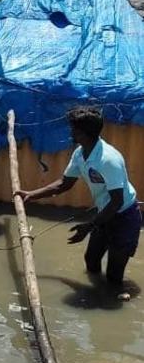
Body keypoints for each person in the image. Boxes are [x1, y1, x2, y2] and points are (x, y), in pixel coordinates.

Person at [16, 106, 141, 293]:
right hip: (104, 214)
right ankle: (96, 294)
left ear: (85, 133)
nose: (71, 132)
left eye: (74, 129)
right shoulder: (80, 153)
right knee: (91, 260)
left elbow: (116, 201)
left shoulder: (108, 159)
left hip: (124, 217)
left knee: (114, 274)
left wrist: (89, 226)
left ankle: (111, 300)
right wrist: (30, 195)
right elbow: (64, 184)